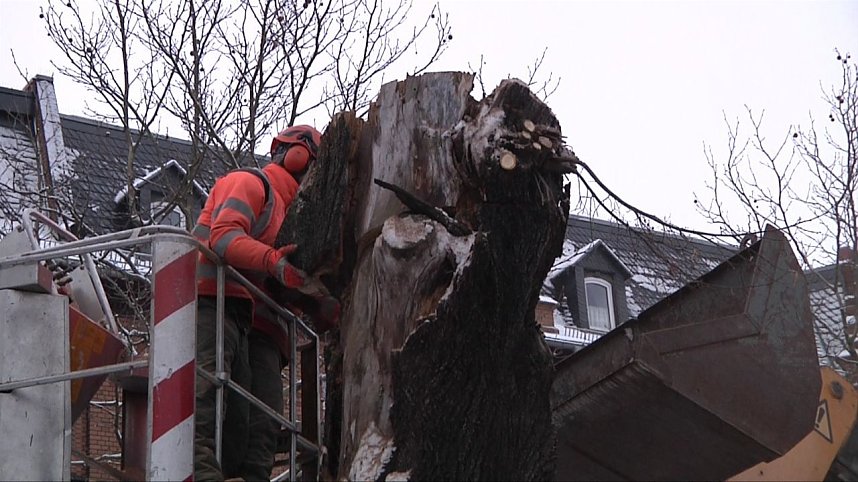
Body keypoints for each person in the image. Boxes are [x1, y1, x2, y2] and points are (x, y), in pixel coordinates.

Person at [191, 125, 338, 481]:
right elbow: (223, 238)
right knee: (208, 388)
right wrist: (274, 262)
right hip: (211, 299)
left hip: (242, 313)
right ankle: (200, 469)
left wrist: (313, 301)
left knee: (249, 415)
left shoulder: (292, 218)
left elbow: (272, 281)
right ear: (297, 154)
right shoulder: (251, 183)